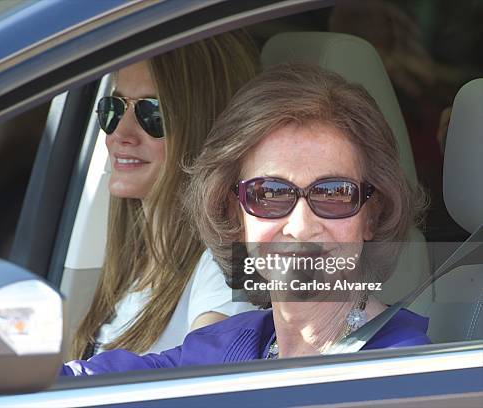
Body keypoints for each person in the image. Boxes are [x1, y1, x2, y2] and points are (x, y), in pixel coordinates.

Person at [61, 63, 430, 376]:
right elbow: (90, 384)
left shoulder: (398, 370)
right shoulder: (235, 344)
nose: (301, 226)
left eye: (333, 194)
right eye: (270, 194)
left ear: (372, 215)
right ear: (234, 215)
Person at [69, 31, 261, 359]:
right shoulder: (137, 263)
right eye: (113, 108)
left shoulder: (227, 265)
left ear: (204, 126)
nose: (120, 133)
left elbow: (209, 388)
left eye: (152, 114)